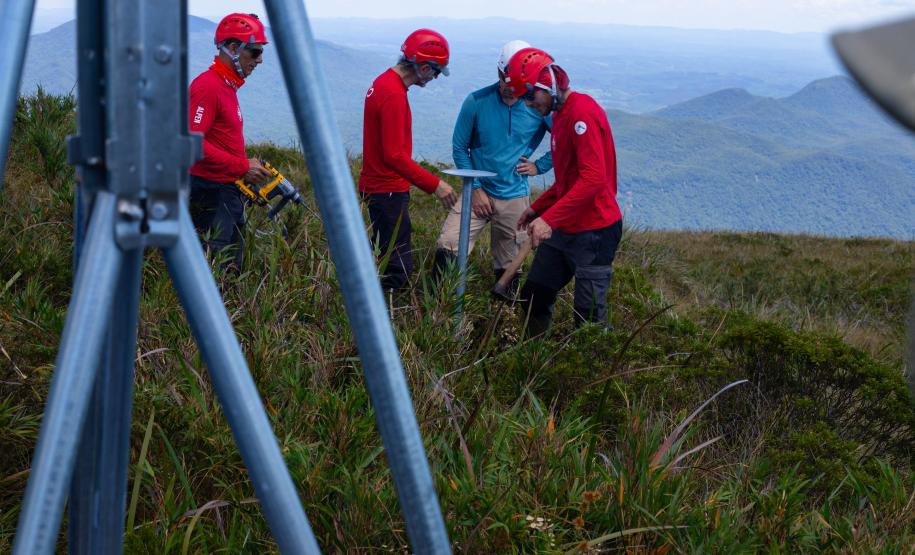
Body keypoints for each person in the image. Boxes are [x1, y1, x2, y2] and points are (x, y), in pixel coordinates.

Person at [505, 47, 623, 336]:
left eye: (530, 96)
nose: (529, 105)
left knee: (589, 316)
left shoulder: (582, 114)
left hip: (595, 229)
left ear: (548, 86)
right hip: (567, 226)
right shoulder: (559, 116)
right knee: (534, 295)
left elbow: (593, 179)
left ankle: (590, 374)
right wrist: (538, 209)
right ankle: (533, 360)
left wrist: (549, 220)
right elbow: (568, 180)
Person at [431, 40, 553, 292]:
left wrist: (539, 166)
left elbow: (563, 143)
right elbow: (459, 147)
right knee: (449, 244)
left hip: (514, 196)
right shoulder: (477, 101)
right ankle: (435, 313)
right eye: (505, 83)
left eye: (516, 87)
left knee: (509, 265)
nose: (509, 90)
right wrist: (474, 188)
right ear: (499, 73)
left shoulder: (538, 108)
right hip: (477, 191)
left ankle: (500, 320)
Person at [358, 28, 458, 292]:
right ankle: (383, 324)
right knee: (397, 267)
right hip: (387, 191)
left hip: (380, 188)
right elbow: (393, 155)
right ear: (424, 68)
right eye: (436, 71)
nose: (436, 77)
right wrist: (435, 184)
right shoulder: (393, 94)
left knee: (385, 255)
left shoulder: (385, 83)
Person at [188, 13, 271, 271]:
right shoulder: (208, 87)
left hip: (226, 192)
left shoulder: (227, 86)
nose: (259, 60)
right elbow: (192, 143)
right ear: (233, 48)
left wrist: (243, 168)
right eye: (255, 52)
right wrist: (241, 167)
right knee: (214, 272)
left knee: (230, 271)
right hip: (211, 194)